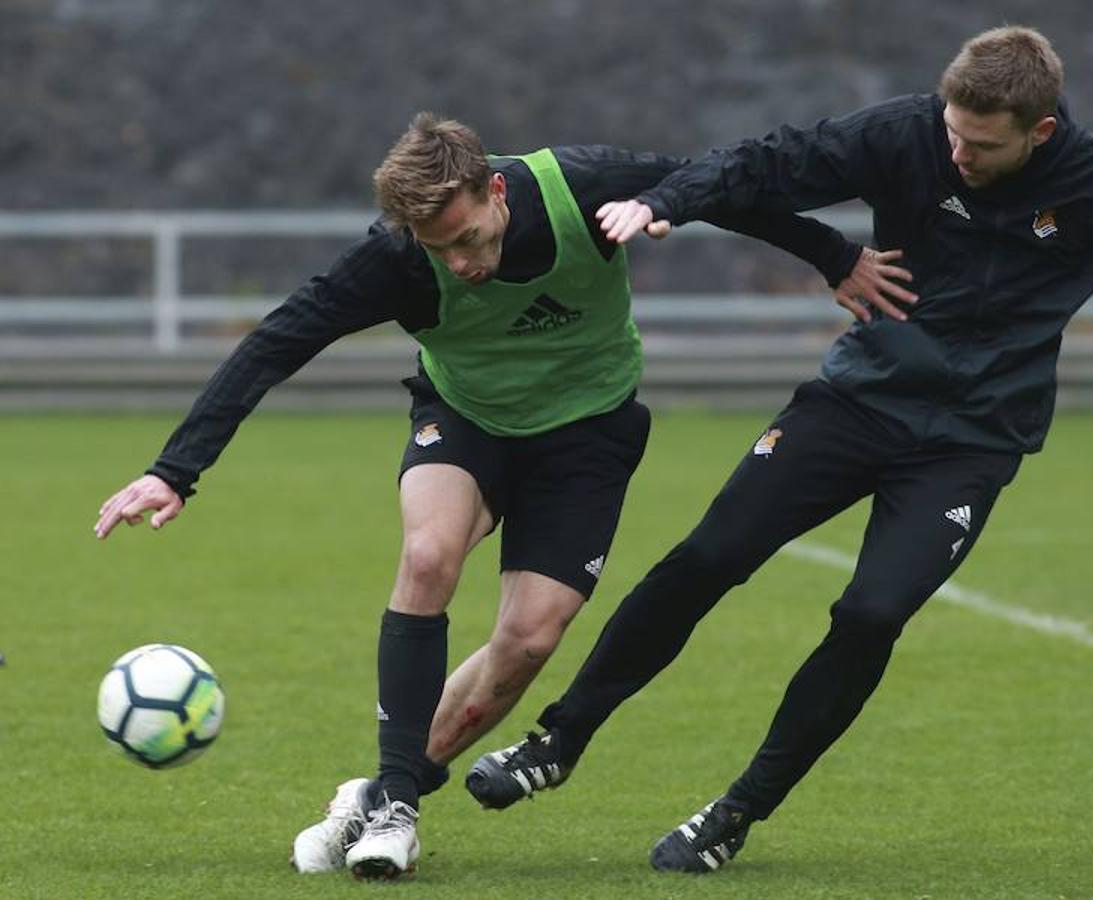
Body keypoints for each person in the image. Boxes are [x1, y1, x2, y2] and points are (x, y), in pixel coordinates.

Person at [465, 25, 1093, 874]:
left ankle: (736, 812)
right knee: (709, 556)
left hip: (971, 442)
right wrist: (667, 202)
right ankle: (557, 741)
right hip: (857, 402)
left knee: (871, 615)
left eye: (983, 145)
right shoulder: (907, 133)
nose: (958, 154)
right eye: (952, 132)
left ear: (1041, 131)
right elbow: (767, 162)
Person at [91, 113, 914, 879]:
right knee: (428, 555)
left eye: (467, 238)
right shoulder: (397, 259)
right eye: (437, 248)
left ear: (495, 190)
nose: (459, 263)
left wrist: (833, 255)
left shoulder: (584, 186)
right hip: (468, 420)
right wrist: (175, 470)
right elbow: (276, 341)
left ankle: (376, 794)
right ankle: (399, 810)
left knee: (526, 642)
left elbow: (719, 187)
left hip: (588, 436)